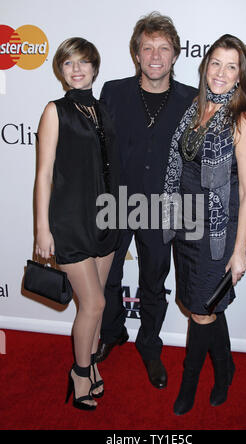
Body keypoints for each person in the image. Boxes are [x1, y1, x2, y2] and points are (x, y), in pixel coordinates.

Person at [95, 12, 197, 389]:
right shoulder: (113, 91)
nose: (155, 55)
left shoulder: (191, 99)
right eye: (147, 47)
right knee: (108, 277)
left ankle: (150, 345)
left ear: (175, 54)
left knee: (155, 280)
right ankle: (111, 332)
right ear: (136, 54)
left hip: (165, 206)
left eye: (163, 48)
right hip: (115, 201)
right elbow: (99, 150)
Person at [162, 34, 246, 414]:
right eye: (215, 63)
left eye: (231, 66)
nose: (220, 72)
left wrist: (239, 252)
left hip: (216, 236)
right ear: (205, 67)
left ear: (240, 76)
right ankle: (226, 367)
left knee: (202, 309)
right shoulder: (194, 107)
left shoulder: (243, 122)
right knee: (204, 306)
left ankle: (191, 382)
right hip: (185, 225)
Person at [35, 37, 119, 410]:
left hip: (106, 218)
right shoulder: (55, 111)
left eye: (83, 62)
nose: (77, 69)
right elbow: (43, 174)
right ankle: (80, 372)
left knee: (96, 305)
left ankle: (91, 366)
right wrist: (42, 228)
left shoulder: (102, 111)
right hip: (70, 221)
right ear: (61, 70)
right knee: (95, 303)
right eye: (69, 63)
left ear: (95, 68)